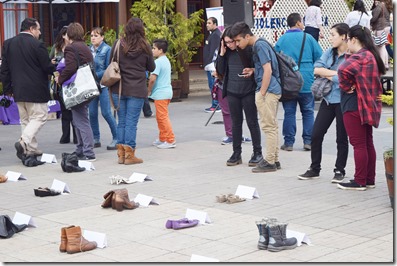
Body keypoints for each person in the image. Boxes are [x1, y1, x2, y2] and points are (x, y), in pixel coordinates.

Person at [298, 23, 350, 183]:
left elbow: (345, 79)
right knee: (316, 134)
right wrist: (337, 74)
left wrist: (330, 74)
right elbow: (317, 69)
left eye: (333, 34)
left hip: (344, 101)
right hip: (328, 100)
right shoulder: (329, 52)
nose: (330, 38)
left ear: (343, 36)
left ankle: (339, 170)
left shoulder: (351, 55)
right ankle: (315, 168)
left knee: (341, 138)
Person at [1, 18, 56, 167]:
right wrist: (55, 65)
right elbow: (46, 67)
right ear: (32, 29)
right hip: (36, 90)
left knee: (26, 120)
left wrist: (7, 90)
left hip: (18, 90)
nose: (39, 33)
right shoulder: (37, 45)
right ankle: (24, 142)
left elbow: (4, 70)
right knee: (39, 116)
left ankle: (31, 149)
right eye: (38, 30)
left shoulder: (8, 43)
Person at [336, 25, 385, 190]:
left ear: (354, 39)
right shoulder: (371, 55)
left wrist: (347, 86)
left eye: (348, 39)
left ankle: (359, 180)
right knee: (367, 142)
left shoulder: (360, 57)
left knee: (358, 144)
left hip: (354, 105)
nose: (347, 42)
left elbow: (342, 70)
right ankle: (369, 179)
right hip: (368, 106)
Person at [231, 22, 281, 173]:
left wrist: (262, 93)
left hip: (268, 91)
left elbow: (268, 70)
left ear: (247, 36)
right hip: (271, 89)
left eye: (239, 40)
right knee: (272, 125)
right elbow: (265, 67)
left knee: (268, 126)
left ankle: (270, 161)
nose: (237, 44)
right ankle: (274, 159)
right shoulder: (261, 44)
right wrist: (253, 70)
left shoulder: (259, 46)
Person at [110, 17, 155, 164]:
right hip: (137, 89)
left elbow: (111, 62)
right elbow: (151, 67)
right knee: (131, 122)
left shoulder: (118, 44)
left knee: (121, 121)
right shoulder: (145, 46)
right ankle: (130, 155)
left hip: (119, 88)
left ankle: (121, 155)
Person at [275, 13, 322, 152]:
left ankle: (288, 143)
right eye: (302, 21)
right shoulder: (308, 38)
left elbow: (276, 60)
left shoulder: (282, 39)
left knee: (289, 113)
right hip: (306, 80)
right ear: (297, 23)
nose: (303, 24)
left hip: (288, 81)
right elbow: (319, 56)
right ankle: (308, 141)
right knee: (308, 112)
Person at [215, 26, 262, 167]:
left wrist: (252, 71)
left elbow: (258, 67)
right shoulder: (226, 52)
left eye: (231, 42)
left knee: (252, 122)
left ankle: (257, 152)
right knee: (236, 123)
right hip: (232, 91)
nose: (230, 45)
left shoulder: (247, 49)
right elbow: (220, 71)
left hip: (248, 90)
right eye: (226, 42)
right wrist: (221, 54)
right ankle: (236, 153)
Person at [56, 22, 96, 161]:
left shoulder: (71, 48)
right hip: (85, 86)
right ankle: (80, 149)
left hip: (77, 88)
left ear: (69, 35)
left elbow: (70, 67)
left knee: (81, 120)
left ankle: (88, 152)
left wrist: (60, 79)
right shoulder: (85, 47)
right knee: (78, 119)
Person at [88, 27, 118, 150]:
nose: (93, 38)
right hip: (91, 85)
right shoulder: (89, 49)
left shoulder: (107, 49)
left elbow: (108, 68)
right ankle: (96, 138)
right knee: (92, 113)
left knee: (106, 113)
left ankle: (117, 137)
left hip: (103, 85)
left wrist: (95, 75)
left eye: (96, 35)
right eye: (91, 36)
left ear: (102, 37)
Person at [49, 26, 77, 145]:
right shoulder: (56, 48)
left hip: (73, 82)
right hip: (60, 82)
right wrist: (52, 63)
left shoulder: (75, 46)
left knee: (75, 110)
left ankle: (77, 136)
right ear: (63, 35)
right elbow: (48, 62)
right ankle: (65, 135)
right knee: (65, 110)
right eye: (67, 34)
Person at [147, 39, 176, 149]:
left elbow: (152, 79)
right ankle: (163, 138)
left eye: (154, 48)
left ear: (160, 50)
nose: (152, 50)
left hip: (161, 93)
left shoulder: (158, 62)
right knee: (160, 117)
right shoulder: (165, 60)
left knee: (162, 117)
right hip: (166, 92)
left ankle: (170, 139)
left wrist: (148, 90)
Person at [203, 17, 222, 113]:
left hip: (211, 65)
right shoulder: (213, 34)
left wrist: (209, 62)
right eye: (207, 23)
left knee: (213, 85)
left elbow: (214, 51)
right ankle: (216, 104)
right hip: (210, 64)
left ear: (215, 24)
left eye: (209, 23)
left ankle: (216, 105)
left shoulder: (215, 35)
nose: (207, 24)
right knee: (212, 85)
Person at [370, 0, 392, 69]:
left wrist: (370, 20)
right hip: (387, 27)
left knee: (380, 46)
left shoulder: (380, 5)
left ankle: (381, 65)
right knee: (384, 46)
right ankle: (386, 64)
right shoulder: (387, 5)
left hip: (380, 27)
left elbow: (374, 18)